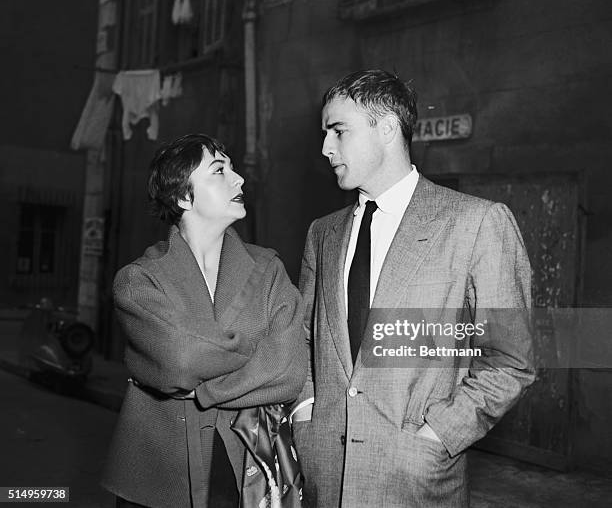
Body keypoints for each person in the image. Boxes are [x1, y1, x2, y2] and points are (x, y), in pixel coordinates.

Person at [291, 70, 535, 507]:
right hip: (325, 476)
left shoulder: (476, 223)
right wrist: (305, 414)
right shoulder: (322, 234)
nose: (326, 147)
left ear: (386, 127)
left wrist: (437, 436)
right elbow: (306, 341)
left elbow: (511, 360)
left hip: (415, 483)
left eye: (338, 131)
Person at [101, 134, 307, 508]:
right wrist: (254, 355)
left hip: (245, 462)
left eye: (232, 168)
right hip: (156, 473)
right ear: (183, 197)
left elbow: (288, 370)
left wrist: (204, 390)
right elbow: (181, 361)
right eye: (219, 171)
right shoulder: (139, 280)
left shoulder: (269, 269)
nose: (238, 179)